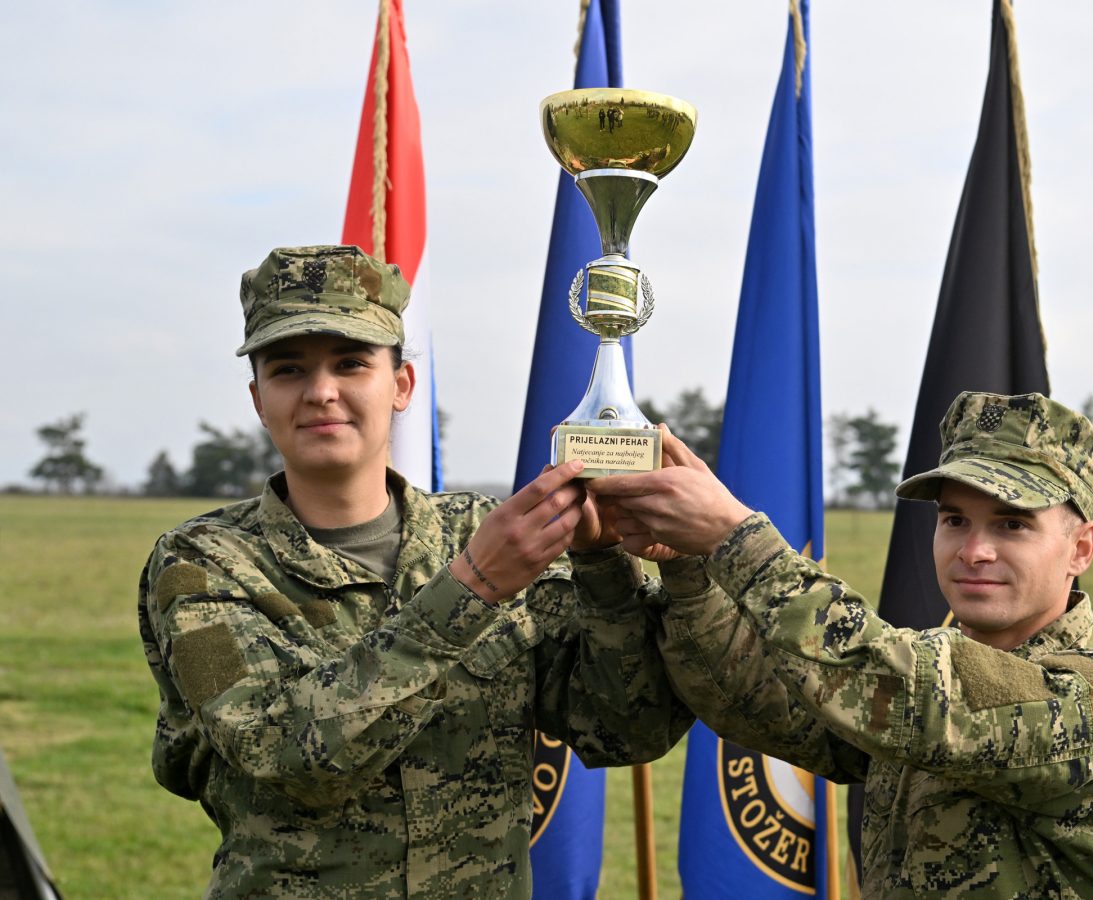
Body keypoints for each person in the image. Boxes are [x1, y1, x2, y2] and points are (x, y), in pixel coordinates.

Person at [138, 245, 691, 898]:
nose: (321, 392)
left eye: (351, 363)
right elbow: (284, 757)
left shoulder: (477, 531)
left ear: (401, 385)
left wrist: (603, 566)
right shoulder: (202, 563)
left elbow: (626, 728)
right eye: (288, 370)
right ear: (259, 399)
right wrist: (472, 591)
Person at [591, 391, 1093, 898]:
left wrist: (735, 537)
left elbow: (918, 697)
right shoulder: (923, 674)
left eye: (1012, 524)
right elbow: (758, 701)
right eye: (955, 520)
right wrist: (687, 565)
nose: (974, 551)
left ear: (1081, 548)